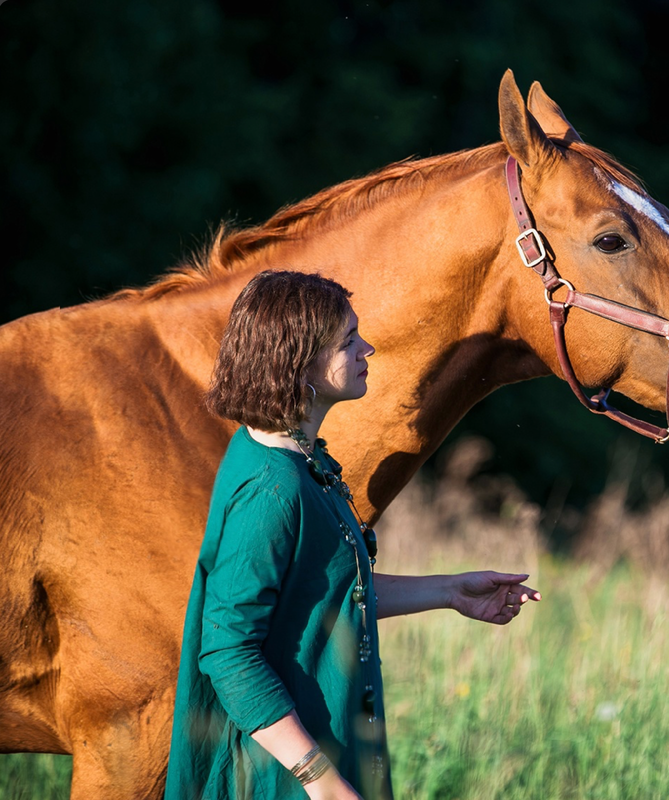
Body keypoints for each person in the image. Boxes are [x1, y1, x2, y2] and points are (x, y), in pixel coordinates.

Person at [165, 270, 539, 799]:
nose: (367, 347)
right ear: (300, 363)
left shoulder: (305, 460)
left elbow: (329, 596)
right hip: (279, 778)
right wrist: (321, 781)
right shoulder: (272, 490)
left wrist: (451, 591)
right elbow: (227, 652)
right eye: (347, 340)